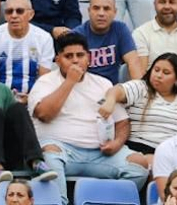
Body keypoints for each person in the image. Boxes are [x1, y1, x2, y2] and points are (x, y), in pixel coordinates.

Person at [29, 31, 146, 182]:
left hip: (101, 155)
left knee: (139, 165)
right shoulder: (45, 82)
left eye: (80, 55)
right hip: (61, 150)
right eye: (68, 56)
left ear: (89, 58)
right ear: (57, 60)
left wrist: (116, 143)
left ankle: (106, 203)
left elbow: (122, 122)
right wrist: (70, 82)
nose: (75, 61)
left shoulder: (103, 83)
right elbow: (44, 114)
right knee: (49, 157)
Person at [99, 53, 177, 169]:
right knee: (157, 165)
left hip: (172, 152)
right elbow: (117, 91)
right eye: (156, 70)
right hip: (137, 148)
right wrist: (110, 101)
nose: (158, 75)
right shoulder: (142, 87)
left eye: (166, 73)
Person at [0, 0, 55, 98]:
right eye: (9, 11)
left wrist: (31, 98)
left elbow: (43, 80)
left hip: (33, 98)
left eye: (19, 11)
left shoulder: (44, 39)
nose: (14, 15)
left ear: (31, 15)